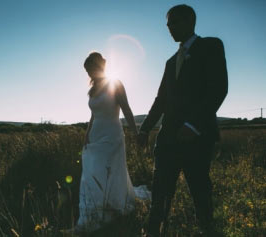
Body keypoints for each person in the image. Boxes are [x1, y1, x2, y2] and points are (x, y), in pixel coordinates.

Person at [137, 4, 228, 236]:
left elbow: (218, 89)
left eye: (174, 22)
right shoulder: (170, 62)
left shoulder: (210, 46)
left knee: (200, 194)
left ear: (190, 21)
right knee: (160, 196)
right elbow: (161, 100)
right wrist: (145, 129)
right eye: (167, 24)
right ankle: (154, 232)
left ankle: (207, 231)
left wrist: (193, 125)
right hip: (167, 139)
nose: (169, 28)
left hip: (196, 138)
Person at [73, 52, 151, 234]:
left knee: (109, 170)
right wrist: (86, 135)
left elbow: (127, 109)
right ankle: (95, 208)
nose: (90, 73)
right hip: (96, 134)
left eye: (91, 68)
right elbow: (93, 115)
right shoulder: (92, 89)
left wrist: (136, 132)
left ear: (100, 65)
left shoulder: (115, 83)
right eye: (87, 71)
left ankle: (112, 205)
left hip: (112, 134)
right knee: (93, 171)